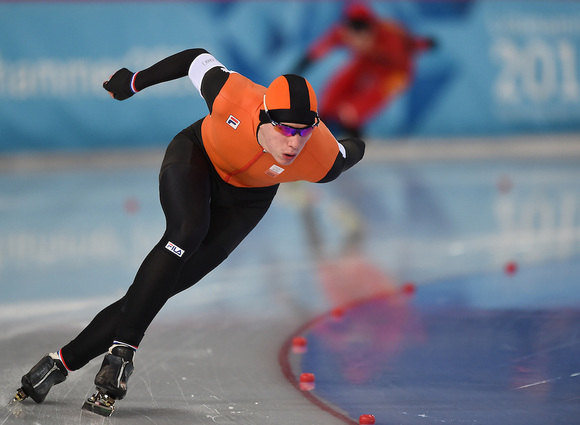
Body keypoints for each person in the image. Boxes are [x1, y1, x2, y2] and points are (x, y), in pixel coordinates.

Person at [13, 48, 365, 415]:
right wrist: (134, 82)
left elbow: (352, 150)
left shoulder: (321, 157)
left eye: (304, 131)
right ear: (263, 115)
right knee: (187, 230)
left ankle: (59, 363)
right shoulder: (232, 94)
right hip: (197, 156)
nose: (294, 142)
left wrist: (353, 142)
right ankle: (122, 355)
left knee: (162, 285)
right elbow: (194, 59)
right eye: (285, 129)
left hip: (246, 201)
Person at [294, 2, 436, 137]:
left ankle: (352, 122)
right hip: (368, 60)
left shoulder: (389, 35)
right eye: (355, 35)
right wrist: (302, 65)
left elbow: (410, 43)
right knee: (342, 81)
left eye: (364, 34)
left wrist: (425, 44)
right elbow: (320, 48)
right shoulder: (343, 33)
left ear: (372, 28)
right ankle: (327, 115)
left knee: (367, 100)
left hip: (397, 70)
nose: (360, 40)